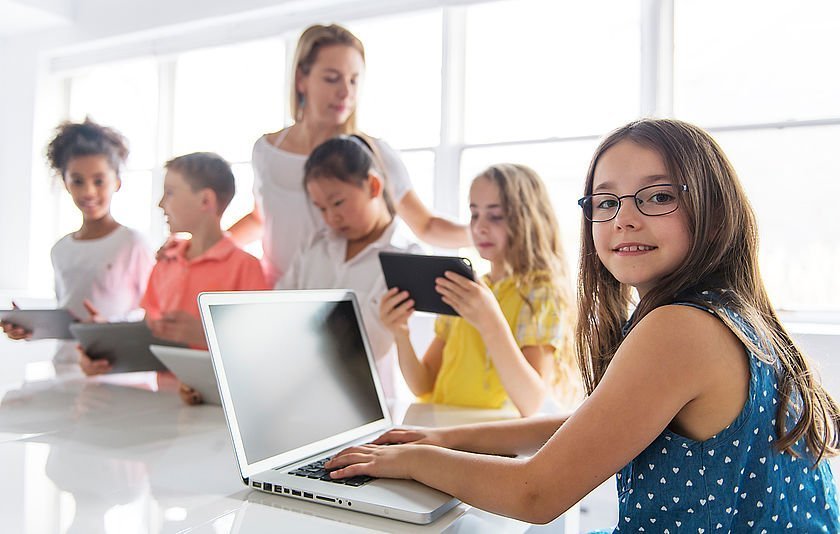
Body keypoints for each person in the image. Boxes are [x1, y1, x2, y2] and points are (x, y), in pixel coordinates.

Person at [325, 119, 840, 532]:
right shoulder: (730, 313)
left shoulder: (681, 328)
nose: (624, 219)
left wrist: (411, 462)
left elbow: (535, 494)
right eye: (606, 202)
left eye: (658, 196)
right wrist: (447, 441)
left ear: (713, 208)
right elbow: (589, 424)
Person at [227, 23, 469, 286]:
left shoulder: (371, 153)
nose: (346, 92)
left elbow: (426, 226)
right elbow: (260, 218)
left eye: (354, 80)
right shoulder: (266, 150)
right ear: (301, 80)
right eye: (332, 78)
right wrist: (207, 247)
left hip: (341, 300)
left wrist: (483, 234)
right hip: (276, 294)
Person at [379, 164, 578, 417]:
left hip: (493, 438)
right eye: (474, 214)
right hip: (443, 427)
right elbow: (423, 384)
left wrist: (489, 321)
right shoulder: (466, 289)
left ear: (528, 219)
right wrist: (401, 334)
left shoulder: (541, 293)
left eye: (495, 216)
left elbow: (532, 403)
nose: (480, 227)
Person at [80, 152, 268, 386]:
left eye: (170, 193)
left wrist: (204, 336)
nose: (160, 204)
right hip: (165, 406)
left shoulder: (246, 268)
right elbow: (149, 336)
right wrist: (107, 341)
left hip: (216, 409)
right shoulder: (165, 263)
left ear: (205, 201)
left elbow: (260, 349)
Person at [278, 135, 422, 400]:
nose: (331, 217)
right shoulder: (315, 246)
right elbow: (279, 309)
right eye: (320, 208)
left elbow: (374, 344)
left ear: (373, 186)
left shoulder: (406, 259)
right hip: (297, 388)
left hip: (363, 397)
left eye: (338, 203)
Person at [1, 119, 152, 354]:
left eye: (99, 181)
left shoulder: (132, 244)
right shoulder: (60, 249)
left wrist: (108, 330)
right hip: (65, 366)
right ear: (66, 183)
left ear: (117, 182)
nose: (88, 191)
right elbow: (68, 315)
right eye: (77, 181)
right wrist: (32, 328)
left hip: (118, 370)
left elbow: (154, 315)